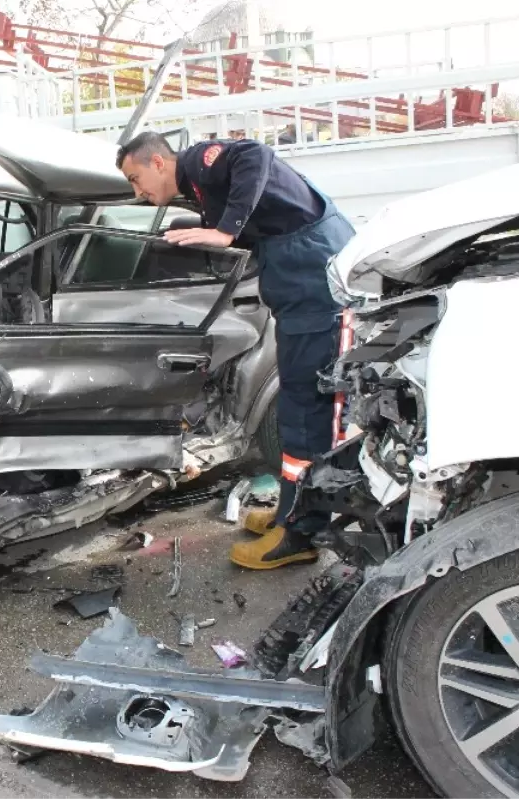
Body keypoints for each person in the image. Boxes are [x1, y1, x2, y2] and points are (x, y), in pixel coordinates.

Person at [116, 132, 355, 570]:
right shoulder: (201, 190)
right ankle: (293, 514)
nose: (138, 192)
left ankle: (300, 534)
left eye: (136, 178)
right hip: (301, 291)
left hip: (317, 289)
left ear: (158, 162)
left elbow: (255, 154)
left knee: (307, 413)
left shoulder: (203, 164)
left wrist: (224, 231)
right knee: (296, 411)